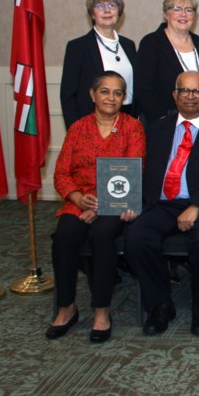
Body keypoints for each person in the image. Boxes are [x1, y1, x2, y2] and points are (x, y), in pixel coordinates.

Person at [125, 71, 199, 337]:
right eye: (184, 91)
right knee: (136, 237)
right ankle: (160, 305)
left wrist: (197, 206)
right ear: (174, 95)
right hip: (162, 204)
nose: (190, 96)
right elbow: (139, 169)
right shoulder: (155, 129)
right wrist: (132, 202)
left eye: (197, 91)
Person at [48, 72, 145, 342]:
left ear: (124, 98)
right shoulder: (78, 128)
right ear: (93, 95)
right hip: (79, 202)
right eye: (105, 91)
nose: (111, 97)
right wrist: (78, 198)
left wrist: (102, 206)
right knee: (64, 236)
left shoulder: (132, 128)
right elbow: (61, 173)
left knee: (102, 236)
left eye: (117, 93)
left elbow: (133, 171)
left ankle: (102, 310)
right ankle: (66, 307)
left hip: (116, 204)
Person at [60, 0, 137, 129]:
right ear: (92, 13)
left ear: (119, 12)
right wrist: (76, 131)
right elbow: (68, 96)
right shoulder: (78, 47)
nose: (107, 11)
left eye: (112, 5)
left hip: (127, 121)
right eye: (100, 6)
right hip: (92, 123)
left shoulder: (129, 45)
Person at [135, 0, 199, 123]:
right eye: (177, 9)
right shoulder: (151, 43)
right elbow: (143, 88)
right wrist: (162, 119)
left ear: (195, 15)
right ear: (166, 13)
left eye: (189, 10)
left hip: (198, 120)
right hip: (162, 120)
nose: (183, 14)